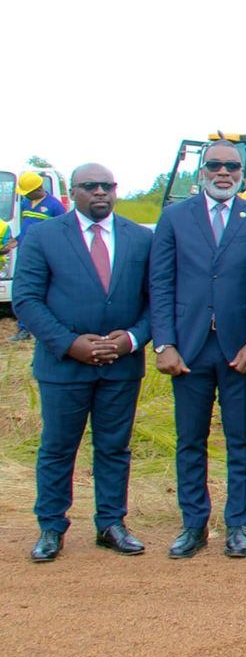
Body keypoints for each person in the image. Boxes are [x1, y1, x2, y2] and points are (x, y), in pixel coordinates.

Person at [17, 164, 153, 562]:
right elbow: (27, 299)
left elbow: (155, 300)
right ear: (71, 193)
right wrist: (69, 343)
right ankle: (51, 526)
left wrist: (131, 340)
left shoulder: (139, 238)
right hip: (64, 366)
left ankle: (111, 524)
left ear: (115, 191)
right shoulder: (43, 236)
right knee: (58, 448)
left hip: (121, 365)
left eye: (106, 186)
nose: (99, 192)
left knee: (114, 447)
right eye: (89, 186)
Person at [149, 140, 246, 560]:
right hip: (188, 349)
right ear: (201, 171)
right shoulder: (174, 217)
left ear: (243, 172)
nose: (224, 172)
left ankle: (237, 525)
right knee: (190, 440)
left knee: (241, 439)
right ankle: (193, 525)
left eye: (232, 166)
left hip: (238, 349)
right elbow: (161, 284)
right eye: (215, 165)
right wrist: (163, 343)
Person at [11, 171, 65, 343]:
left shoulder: (55, 206)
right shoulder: (27, 202)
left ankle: (41, 329)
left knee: (42, 290)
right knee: (25, 289)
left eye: (27, 191)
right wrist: (16, 240)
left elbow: (61, 233)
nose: (25, 195)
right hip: (24, 251)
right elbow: (26, 226)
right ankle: (23, 328)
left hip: (44, 255)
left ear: (39, 189)